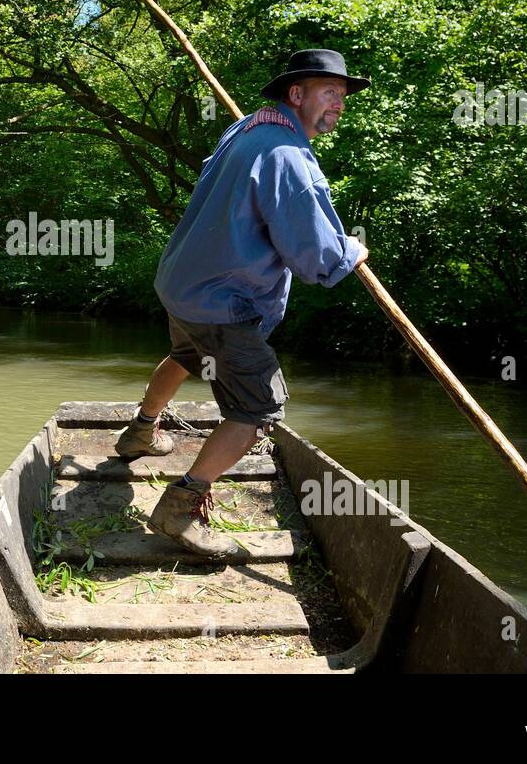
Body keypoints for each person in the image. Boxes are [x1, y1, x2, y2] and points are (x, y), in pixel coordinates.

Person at [114, 48, 372, 558]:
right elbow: (316, 254)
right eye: (329, 93)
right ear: (295, 95)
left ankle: (139, 433)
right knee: (258, 410)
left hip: (183, 285)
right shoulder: (288, 156)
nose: (339, 104)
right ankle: (180, 506)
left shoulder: (251, 128)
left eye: (342, 96)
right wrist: (352, 252)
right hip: (221, 301)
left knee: (189, 355)